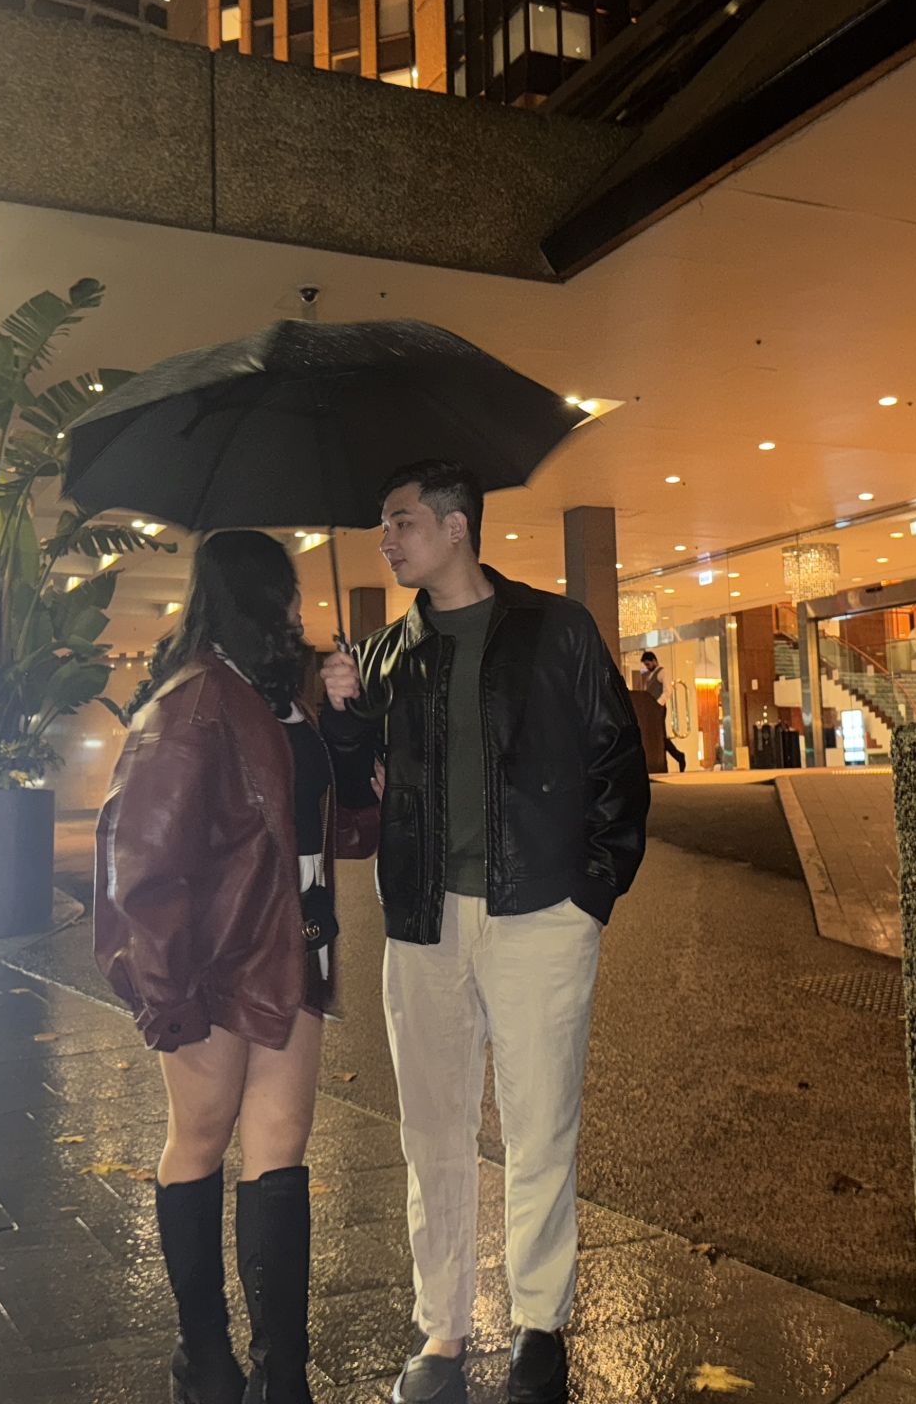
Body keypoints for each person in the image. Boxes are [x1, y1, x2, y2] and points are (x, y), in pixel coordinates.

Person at [323, 461, 650, 1404]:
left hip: (539, 911)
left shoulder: (556, 629)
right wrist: (344, 719)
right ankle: (442, 1329)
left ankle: (538, 1323)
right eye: (383, 525)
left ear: (456, 526)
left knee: (540, 1123)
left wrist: (592, 891)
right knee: (432, 1127)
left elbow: (617, 759)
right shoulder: (384, 655)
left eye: (401, 522)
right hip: (422, 919)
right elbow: (355, 795)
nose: (386, 540)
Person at [95, 530, 378, 1404]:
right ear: (260, 596)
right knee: (200, 1137)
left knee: (280, 1146)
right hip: (215, 961)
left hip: (293, 948)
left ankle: (280, 1376)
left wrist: (346, 729)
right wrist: (165, 994)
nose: (298, 608)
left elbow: (346, 828)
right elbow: (141, 862)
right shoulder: (192, 703)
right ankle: (206, 1358)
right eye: (287, 593)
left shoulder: (280, 697)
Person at [636, 650, 688, 771]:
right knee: (658, 736)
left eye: (648, 664)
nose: (647, 667)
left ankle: (678, 756)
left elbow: (667, 691)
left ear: (654, 661)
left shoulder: (662, 672)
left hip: (658, 709)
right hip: (651, 710)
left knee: (660, 736)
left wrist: (657, 705)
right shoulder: (651, 675)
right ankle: (672, 759)